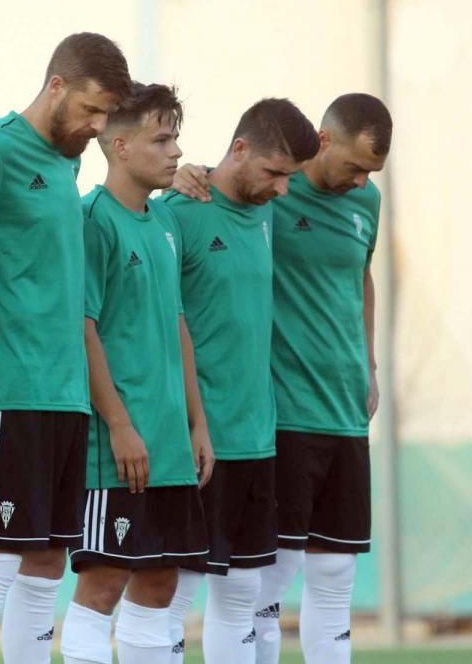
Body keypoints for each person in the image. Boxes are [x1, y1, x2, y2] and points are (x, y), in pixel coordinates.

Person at [172, 93, 392, 664]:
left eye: (371, 172)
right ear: (324, 141)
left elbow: (362, 277)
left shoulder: (365, 202)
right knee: (267, 578)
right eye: (355, 165)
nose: (361, 179)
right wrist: (183, 174)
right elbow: (225, 190)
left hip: (344, 409)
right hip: (282, 413)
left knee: (336, 569)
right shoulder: (266, 196)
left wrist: (367, 363)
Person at [0, 32, 131, 664]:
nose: (99, 126)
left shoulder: (68, 159)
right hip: (7, 392)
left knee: (49, 561)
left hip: (66, 395)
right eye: (91, 110)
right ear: (57, 87)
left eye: (108, 115)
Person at [158, 99, 319, 664]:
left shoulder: (270, 211)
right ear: (240, 149)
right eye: (274, 173)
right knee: (173, 593)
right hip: (198, 441)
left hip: (259, 437)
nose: (282, 189)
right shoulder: (177, 211)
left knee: (244, 593)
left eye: (289, 178)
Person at [61, 83, 213, 664]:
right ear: (119, 146)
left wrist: (197, 424)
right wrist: (120, 425)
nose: (175, 152)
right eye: (162, 139)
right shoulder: (91, 219)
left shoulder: (165, 225)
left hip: (171, 442)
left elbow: (177, 325)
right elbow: (83, 328)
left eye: (176, 138)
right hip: (118, 445)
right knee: (104, 583)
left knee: (160, 583)